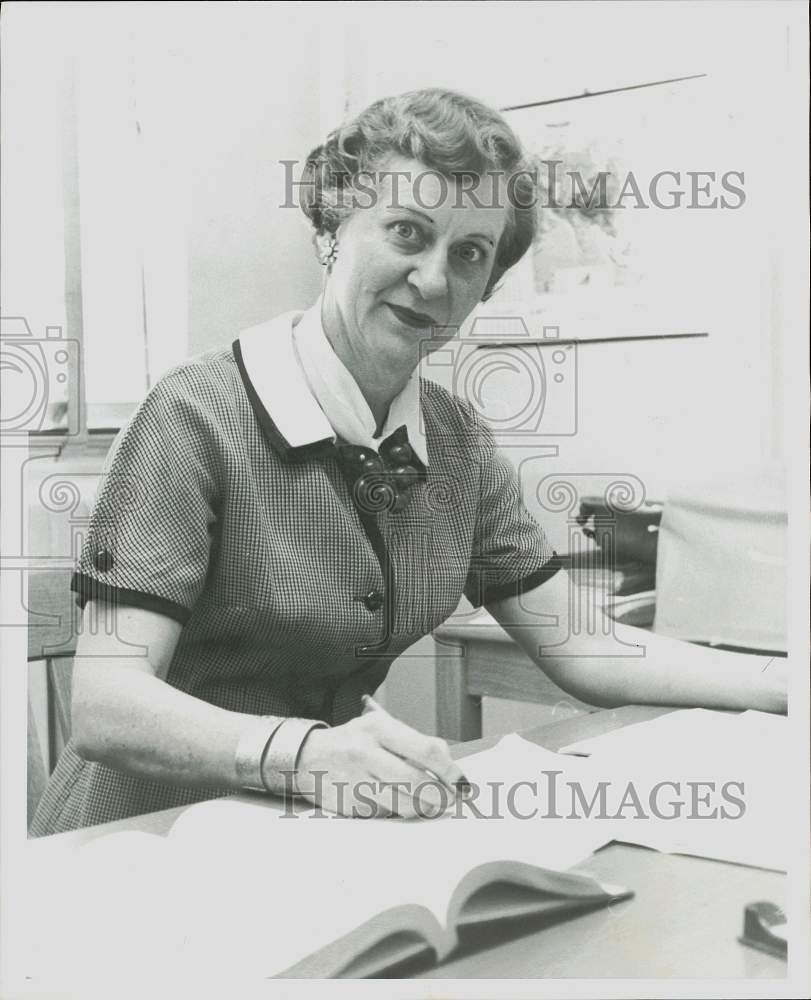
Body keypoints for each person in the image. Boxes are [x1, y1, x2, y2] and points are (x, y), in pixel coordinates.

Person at [30, 88, 786, 836]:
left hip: (298, 838)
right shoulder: (195, 414)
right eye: (405, 232)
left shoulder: (454, 439)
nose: (432, 280)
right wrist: (303, 755)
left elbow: (583, 647)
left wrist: (786, 683)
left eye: (468, 255)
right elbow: (106, 704)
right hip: (131, 841)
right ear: (332, 228)